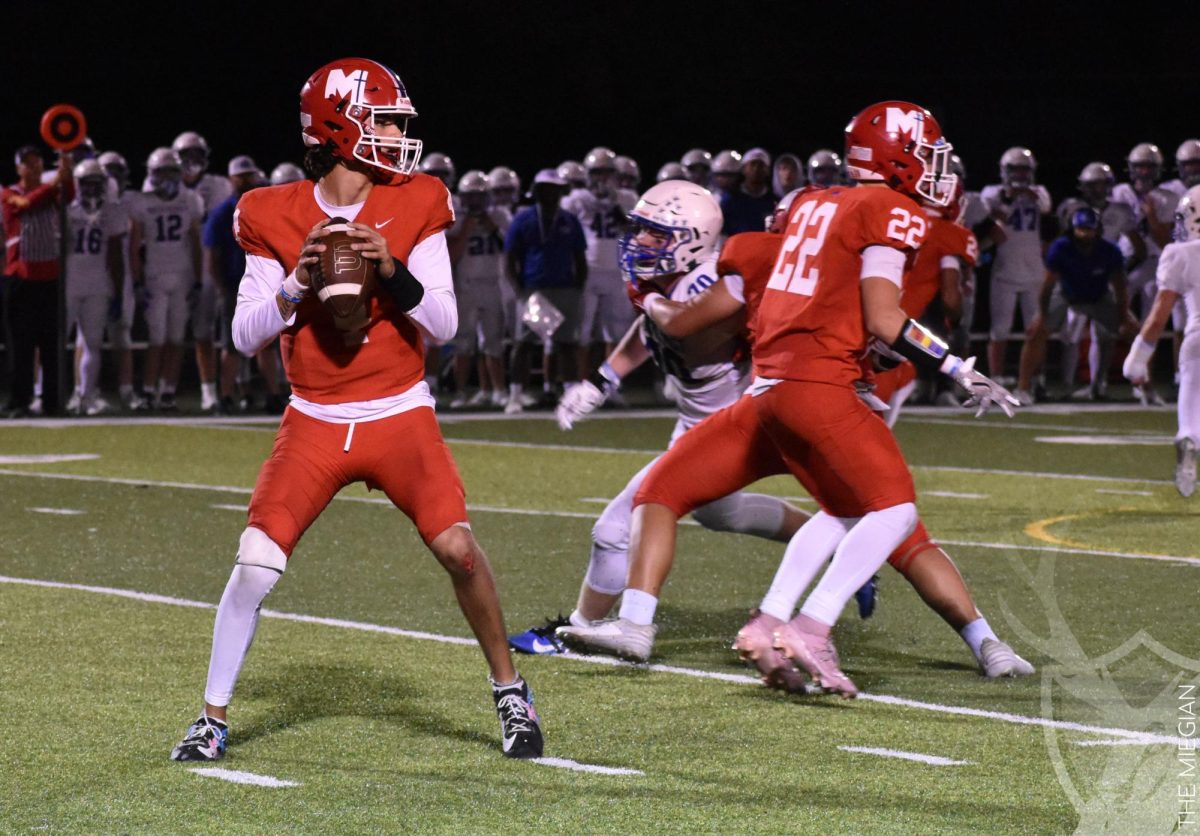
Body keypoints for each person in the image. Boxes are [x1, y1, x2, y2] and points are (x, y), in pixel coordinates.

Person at [558, 102, 1018, 697]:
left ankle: (652, 624)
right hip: (825, 395)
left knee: (661, 492)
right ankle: (828, 626)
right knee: (896, 519)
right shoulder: (885, 210)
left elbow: (699, 317)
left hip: (765, 397)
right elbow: (884, 318)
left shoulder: (794, 219)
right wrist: (955, 365)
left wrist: (645, 307)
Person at [169, 57, 542, 763]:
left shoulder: (419, 197)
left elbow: (446, 322)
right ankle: (212, 717)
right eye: (386, 120)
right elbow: (246, 333)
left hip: (399, 410)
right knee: (254, 563)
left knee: (459, 550)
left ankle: (510, 692)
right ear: (340, 128)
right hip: (313, 416)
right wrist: (296, 283)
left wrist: (391, 271)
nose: (400, 136)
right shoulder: (270, 212)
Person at [510, 180, 807, 658]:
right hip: (695, 424)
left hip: (727, 430)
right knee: (722, 513)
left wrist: (648, 300)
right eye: (641, 230)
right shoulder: (667, 283)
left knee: (613, 529)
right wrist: (602, 379)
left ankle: (577, 630)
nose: (641, 242)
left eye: (655, 234)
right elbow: (650, 329)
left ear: (691, 239)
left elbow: (675, 322)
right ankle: (829, 549)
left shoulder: (714, 286)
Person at [1124, 184, 1200, 496]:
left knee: (1191, 415)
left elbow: (1159, 316)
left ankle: (1189, 438)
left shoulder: (1181, 253)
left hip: (1197, 342)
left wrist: (1136, 360)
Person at [1016, 207, 1134, 406]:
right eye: (1081, 229)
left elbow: (1120, 288)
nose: (1085, 234)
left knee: (1136, 331)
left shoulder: (1110, 250)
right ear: (1073, 229)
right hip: (1066, 294)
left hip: (1099, 296)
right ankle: (1023, 387)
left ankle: (1144, 387)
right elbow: (1047, 286)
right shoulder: (1061, 247)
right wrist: (1042, 317)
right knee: (1035, 332)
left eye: (1089, 229)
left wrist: (1123, 318)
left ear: (1097, 230)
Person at [503, 168, 587, 413]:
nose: (552, 194)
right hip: (535, 289)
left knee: (566, 344)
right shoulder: (523, 219)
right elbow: (509, 258)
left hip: (565, 289)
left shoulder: (569, 220)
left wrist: (578, 288)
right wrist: (520, 289)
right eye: (547, 189)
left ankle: (572, 396)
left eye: (556, 189)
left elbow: (579, 258)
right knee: (525, 343)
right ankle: (516, 395)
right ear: (538, 192)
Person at [1054, 163, 1142, 396]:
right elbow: (1062, 244)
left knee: (1106, 335)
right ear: (1083, 186)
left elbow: (1139, 248)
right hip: (1075, 280)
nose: (1097, 189)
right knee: (1070, 333)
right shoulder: (1072, 208)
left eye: (1102, 184)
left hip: (1103, 282)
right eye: (1092, 185)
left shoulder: (1120, 211)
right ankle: (1066, 384)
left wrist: (1117, 272)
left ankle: (1099, 384)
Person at [128, 148, 204, 410]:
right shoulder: (142, 202)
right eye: (162, 172)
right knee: (157, 338)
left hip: (181, 277)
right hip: (155, 277)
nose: (167, 177)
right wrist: (137, 281)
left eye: (171, 171)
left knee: (176, 337)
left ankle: (168, 391)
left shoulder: (190, 200)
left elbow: (195, 243)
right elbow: (135, 246)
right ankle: (149, 391)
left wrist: (197, 279)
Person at [2, 146, 74, 418]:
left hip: (49, 278)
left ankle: (52, 401)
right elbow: (25, 205)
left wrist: (66, 175)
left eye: (38, 164)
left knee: (51, 344)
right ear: (18, 167)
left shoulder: (51, 190)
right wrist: (55, 182)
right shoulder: (8, 193)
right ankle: (20, 400)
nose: (35, 169)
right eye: (29, 164)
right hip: (20, 277)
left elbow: (69, 196)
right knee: (21, 344)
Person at [1112, 142, 1182, 405]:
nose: (1143, 172)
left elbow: (1166, 239)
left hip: (1156, 264)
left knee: (1150, 324)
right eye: (1138, 166)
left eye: (1148, 167)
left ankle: (1146, 383)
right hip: (1126, 263)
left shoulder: (1169, 197)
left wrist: (1151, 216)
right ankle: (1099, 382)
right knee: (1118, 323)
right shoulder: (1119, 192)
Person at [171, 132, 235, 413]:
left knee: (217, 330)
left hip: (212, 264)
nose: (192, 162)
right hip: (178, 265)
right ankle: (175, 390)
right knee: (184, 332)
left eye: (197, 155)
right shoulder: (163, 184)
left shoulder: (218, 185)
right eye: (186, 156)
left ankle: (219, 390)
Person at [563, 146, 638, 378]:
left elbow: (635, 231)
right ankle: (581, 382)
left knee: (615, 332)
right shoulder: (576, 200)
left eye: (606, 172)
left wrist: (616, 207)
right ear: (587, 174)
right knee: (582, 332)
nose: (602, 178)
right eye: (597, 172)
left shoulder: (627, 198)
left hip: (616, 271)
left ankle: (609, 385)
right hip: (588, 271)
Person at [981, 147, 1053, 391]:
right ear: (1005, 171)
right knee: (999, 329)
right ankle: (997, 379)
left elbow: (1045, 207)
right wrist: (1011, 197)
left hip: (1034, 273)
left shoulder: (1039, 191)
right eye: (1016, 170)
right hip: (1004, 272)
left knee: (1035, 331)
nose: (1021, 175)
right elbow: (991, 215)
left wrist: (1022, 194)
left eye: (1025, 170)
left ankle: (1037, 378)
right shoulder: (992, 192)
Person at [202, 155, 268, 415]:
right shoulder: (222, 213)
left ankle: (272, 393)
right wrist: (222, 287)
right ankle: (226, 395)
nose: (245, 180)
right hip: (234, 285)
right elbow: (213, 254)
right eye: (240, 176)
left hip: (264, 284)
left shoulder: (264, 205)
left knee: (268, 342)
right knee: (231, 344)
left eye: (248, 175)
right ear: (231, 179)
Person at [65, 159, 126, 415]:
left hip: (97, 283)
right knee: (56, 342)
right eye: (86, 183)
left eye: (95, 183)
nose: (91, 188)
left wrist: (118, 290)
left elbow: (114, 254)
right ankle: (45, 394)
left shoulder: (112, 211)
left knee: (92, 343)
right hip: (68, 283)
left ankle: (86, 397)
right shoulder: (66, 209)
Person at [446, 169, 510, 408]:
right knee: (464, 342)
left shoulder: (500, 215)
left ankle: (498, 390)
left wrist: (492, 228)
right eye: (471, 196)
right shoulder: (454, 216)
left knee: (493, 342)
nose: (476, 202)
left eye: (481, 196)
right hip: (466, 286)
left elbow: (510, 247)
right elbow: (451, 255)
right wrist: (467, 227)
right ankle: (460, 392)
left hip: (493, 284)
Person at [96, 151, 144, 410]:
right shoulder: (80, 204)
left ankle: (126, 390)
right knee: (87, 339)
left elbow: (134, 244)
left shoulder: (129, 203)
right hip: (90, 274)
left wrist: (136, 279)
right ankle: (85, 392)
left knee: (122, 334)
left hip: (120, 274)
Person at [719, 148, 778, 236]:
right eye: (752, 164)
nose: (756, 169)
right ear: (743, 169)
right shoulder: (730, 200)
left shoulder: (775, 202)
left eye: (761, 165)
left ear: (768, 171)